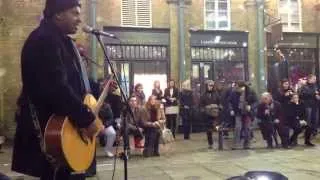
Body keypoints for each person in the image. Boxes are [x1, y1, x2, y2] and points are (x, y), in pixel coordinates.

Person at [12, 0, 99, 179]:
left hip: (65, 132)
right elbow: (56, 88)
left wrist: (97, 89)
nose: (79, 19)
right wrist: (86, 118)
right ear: (58, 14)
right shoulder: (44, 40)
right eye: (75, 13)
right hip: (51, 134)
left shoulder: (62, 41)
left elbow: (74, 82)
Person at [228, 81, 257, 149]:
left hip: (247, 113)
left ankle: (246, 144)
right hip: (238, 112)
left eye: (238, 88)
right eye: (236, 87)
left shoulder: (250, 92)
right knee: (238, 127)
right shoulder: (233, 92)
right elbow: (229, 102)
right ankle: (236, 144)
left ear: (243, 87)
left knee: (247, 128)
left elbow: (256, 101)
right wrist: (231, 109)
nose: (236, 89)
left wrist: (251, 107)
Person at [200, 80, 221, 149]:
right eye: (209, 85)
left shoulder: (216, 94)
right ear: (207, 86)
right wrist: (204, 109)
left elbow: (219, 103)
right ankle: (210, 143)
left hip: (215, 114)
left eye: (212, 86)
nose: (210, 87)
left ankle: (220, 143)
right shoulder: (203, 95)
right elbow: (201, 105)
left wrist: (218, 107)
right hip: (207, 115)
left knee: (217, 128)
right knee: (208, 130)